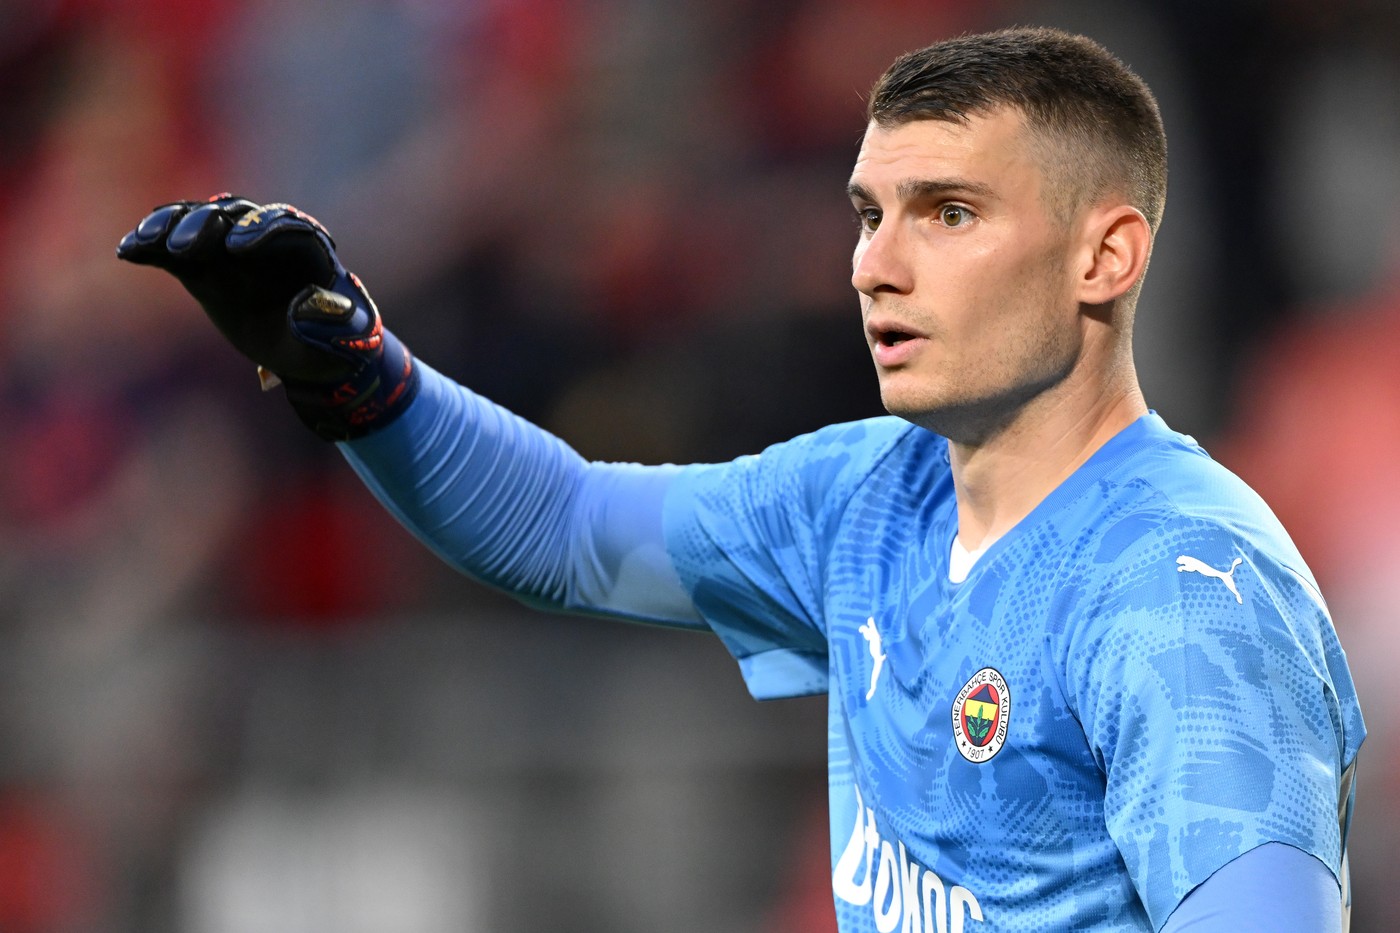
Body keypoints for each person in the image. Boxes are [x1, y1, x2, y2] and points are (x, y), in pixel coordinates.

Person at [117, 26, 1363, 932]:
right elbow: (568, 526)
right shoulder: (869, 496)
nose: (875, 265)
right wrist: (360, 381)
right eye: (868, 214)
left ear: (1105, 255)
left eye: (947, 213)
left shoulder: (1185, 598)